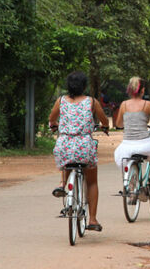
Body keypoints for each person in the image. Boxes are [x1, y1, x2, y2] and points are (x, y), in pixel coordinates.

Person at [49, 71, 109, 232]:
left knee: (67, 161)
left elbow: (52, 119)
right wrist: (105, 126)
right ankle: (93, 219)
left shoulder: (60, 101)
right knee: (92, 181)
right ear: (84, 86)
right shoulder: (92, 102)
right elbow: (104, 120)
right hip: (84, 145)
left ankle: (63, 184)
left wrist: (54, 125)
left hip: (65, 145)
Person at [114, 77, 150, 193]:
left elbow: (118, 124)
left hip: (126, 147)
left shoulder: (124, 105)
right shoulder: (147, 104)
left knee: (127, 164)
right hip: (145, 145)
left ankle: (130, 189)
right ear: (143, 90)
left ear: (129, 90)